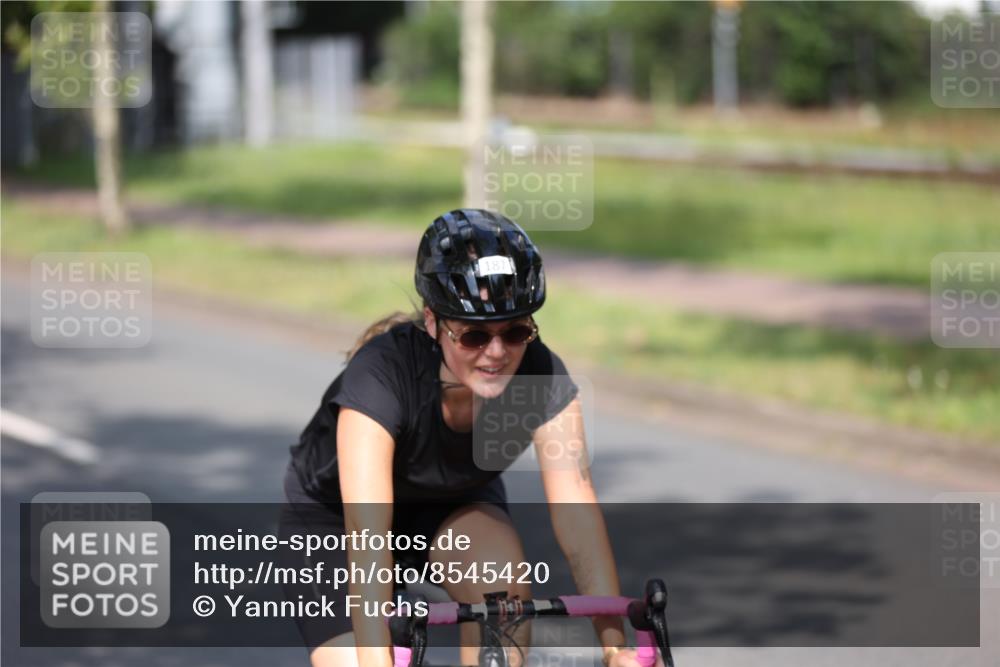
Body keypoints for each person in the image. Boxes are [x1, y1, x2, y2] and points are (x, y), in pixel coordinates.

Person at [281, 209, 654, 667]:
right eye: (475, 336)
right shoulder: (380, 376)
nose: (496, 353)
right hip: (335, 522)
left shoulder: (540, 377)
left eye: (516, 331)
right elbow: (368, 536)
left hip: (452, 505)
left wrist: (615, 648)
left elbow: (577, 512)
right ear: (434, 322)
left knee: (504, 598)